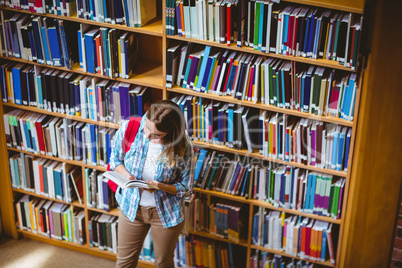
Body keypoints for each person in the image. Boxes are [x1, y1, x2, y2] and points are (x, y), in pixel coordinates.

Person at [109, 100, 194, 268]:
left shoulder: (184, 146)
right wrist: (128, 176)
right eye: (147, 127)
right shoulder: (129, 128)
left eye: (156, 135)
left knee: (163, 263)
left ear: (171, 133)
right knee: (124, 263)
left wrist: (160, 186)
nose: (147, 136)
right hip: (132, 208)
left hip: (165, 213)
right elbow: (115, 160)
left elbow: (186, 190)